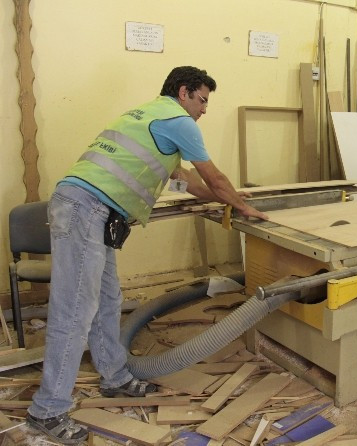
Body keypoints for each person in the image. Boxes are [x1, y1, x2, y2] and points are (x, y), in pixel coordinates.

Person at [27, 66, 268, 444]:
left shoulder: (150, 115)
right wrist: (240, 205)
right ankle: (47, 409)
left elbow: (188, 182)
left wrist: (230, 198)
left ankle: (115, 377)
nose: (204, 109)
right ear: (184, 92)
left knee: (108, 300)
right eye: (202, 100)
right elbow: (213, 177)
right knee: (74, 311)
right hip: (84, 209)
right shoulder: (180, 121)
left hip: (90, 210)